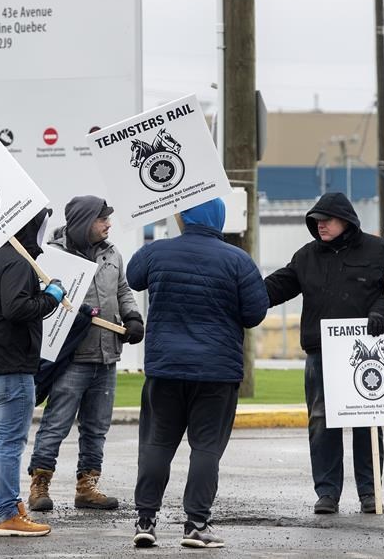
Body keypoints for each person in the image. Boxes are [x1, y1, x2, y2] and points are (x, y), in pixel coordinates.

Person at [126, 197, 269, 549]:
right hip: (217, 372)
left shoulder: (157, 252)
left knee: (157, 443)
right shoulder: (238, 260)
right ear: (219, 220)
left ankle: (145, 520)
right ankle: (196, 524)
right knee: (205, 448)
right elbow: (255, 314)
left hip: (165, 368)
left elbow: (133, 276)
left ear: (184, 218)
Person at [263, 192, 384, 515]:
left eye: (327, 220)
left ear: (346, 221)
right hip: (320, 353)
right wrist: (241, 294)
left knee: (367, 421)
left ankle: (370, 492)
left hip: (367, 351)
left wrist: (381, 311)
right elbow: (275, 288)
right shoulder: (306, 256)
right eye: (316, 221)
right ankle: (327, 493)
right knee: (322, 421)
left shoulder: (378, 250)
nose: (320, 225)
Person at [27, 196, 145, 512]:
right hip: (71, 358)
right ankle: (39, 484)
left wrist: (132, 317)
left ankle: (87, 486)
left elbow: (122, 291)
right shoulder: (52, 257)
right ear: (84, 222)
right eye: (102, 219)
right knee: (56, 424)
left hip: (107, 356)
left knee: (97, 427)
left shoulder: (112, 253)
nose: (108, 224)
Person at [0, 207, 67, 538]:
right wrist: (49, 298)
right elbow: (17, 308)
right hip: (11, 365)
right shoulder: (17, 262)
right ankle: (6, 512)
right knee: (9, 442)